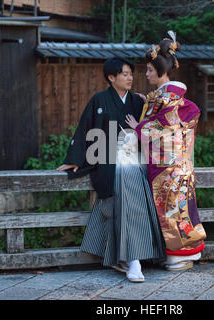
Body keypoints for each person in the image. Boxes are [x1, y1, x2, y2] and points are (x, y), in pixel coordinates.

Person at [57, 57, 166, 282]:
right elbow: (85, 129)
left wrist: (145, 120)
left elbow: (157, 130)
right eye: (124, 74)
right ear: (111, 77)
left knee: (129, 199)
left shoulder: (138, 101)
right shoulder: (99, 100)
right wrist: (76, 158)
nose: (130, 78)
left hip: (136, 160)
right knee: (126, 190)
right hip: (109, 160)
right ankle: (134, 260)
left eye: (130, 73)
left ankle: (130, 258)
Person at [125, 31, 206, 271]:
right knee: (174, 209)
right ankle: (176, 253)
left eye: (150, 70)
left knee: (173, 209)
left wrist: (138, 127)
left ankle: (181, 255)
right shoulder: (165, 96)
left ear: (161, 72)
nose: (146, 74)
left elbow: (164, 125)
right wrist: (146, 105)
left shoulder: (168, 97)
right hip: (172, 163)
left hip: (169, 166)